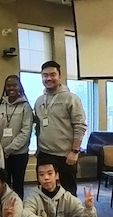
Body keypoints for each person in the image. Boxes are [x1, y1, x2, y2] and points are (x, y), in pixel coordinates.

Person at [34, 60, 88, 196]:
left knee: (68, 194)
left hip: (65, 156)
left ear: (60, 76)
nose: (49, 78)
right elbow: (39, 127)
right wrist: (39, 148)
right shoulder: (39, 100)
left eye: (52, 74)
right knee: (45, 192)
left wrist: (75, 151)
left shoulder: (71, 99)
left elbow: (80, 126)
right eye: (45, 75)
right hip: (44, 154)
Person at [0, 75, 33, 199]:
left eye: (14, 85)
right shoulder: (0, 106)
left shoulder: (26, 107)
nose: (11, 88)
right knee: (3, 184)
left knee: (18, 185)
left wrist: (8, 149)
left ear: (19, 86)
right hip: (2, 154)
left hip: (19, 154)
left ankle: (18, 211)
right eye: (8, 85)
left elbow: (25, 132)